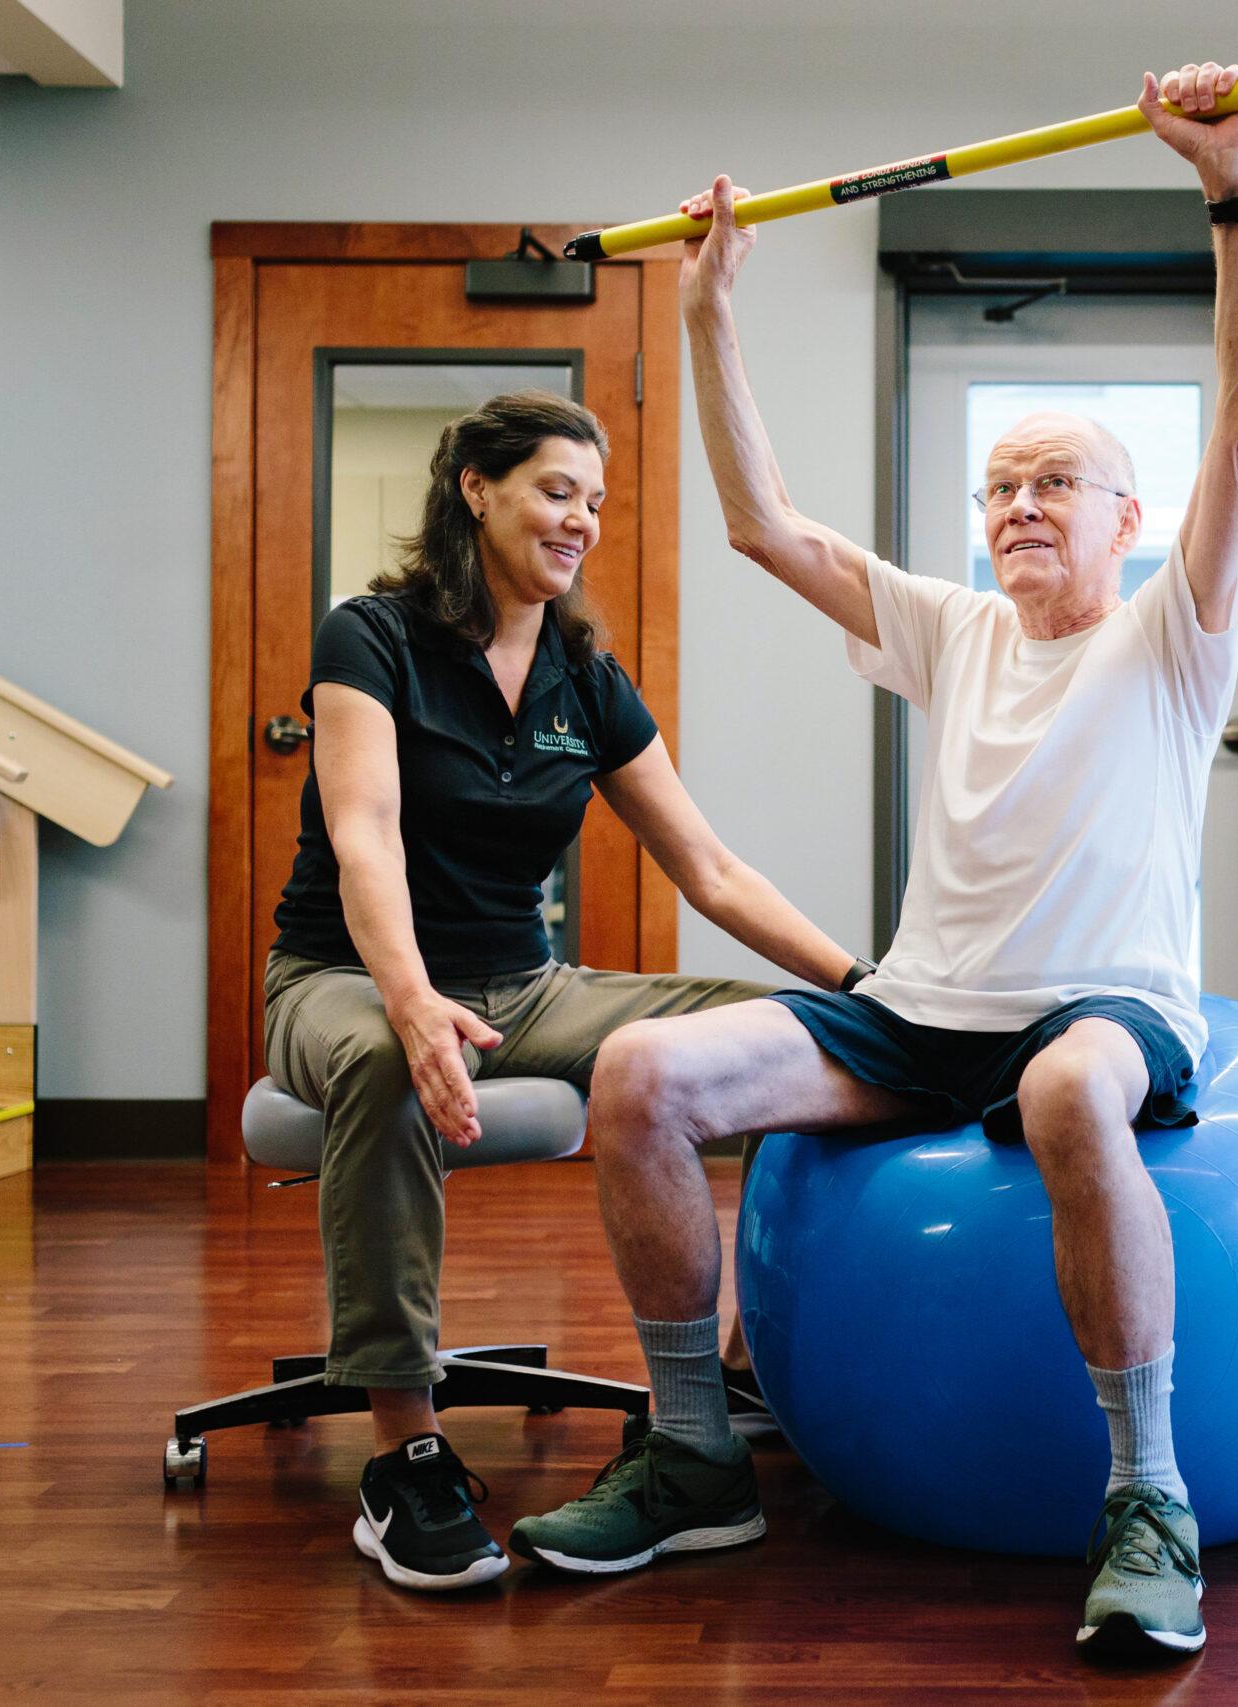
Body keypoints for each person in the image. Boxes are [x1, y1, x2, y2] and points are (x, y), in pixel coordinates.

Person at [508, 63, 1238, 1657]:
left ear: (1130, 513)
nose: (1016, 507)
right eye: (999, 485)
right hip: (921, 1010)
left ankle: (1148, 1494)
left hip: (1103, 1006)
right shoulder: (951, 626)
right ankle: (696, 1452)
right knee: (641, 1076)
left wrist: (1227, 182)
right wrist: (708, 314)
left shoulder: (1173, 632)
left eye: (1054, 482)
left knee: (1070, 1092)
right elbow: (761, 522)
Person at [264, 389, 867, 1592]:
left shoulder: (584, 676)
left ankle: (740, 1376)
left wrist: (867, 984)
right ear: (474, 490)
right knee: (389, 1050)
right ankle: (406, 1455)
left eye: (594, 500)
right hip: (340, 977)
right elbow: (366, 833)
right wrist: (414, 999)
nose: (582, 519)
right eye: (555, 491)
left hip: (527, 988)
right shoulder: (369, 635)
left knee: (795, 1037)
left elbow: (710, 868)